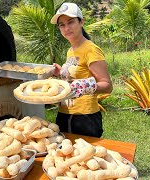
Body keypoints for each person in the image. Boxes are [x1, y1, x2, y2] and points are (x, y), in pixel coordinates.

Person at [50, 2, 113, 138]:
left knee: (84, 157)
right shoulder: (70, 50)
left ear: (81, 22)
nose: (66, 28)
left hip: (85, 118)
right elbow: (75, 77)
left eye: (71, 22)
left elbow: (107, 85)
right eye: (62, 25)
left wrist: (84, 86)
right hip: (64, 112)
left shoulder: (91, 49)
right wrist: (61, 73)